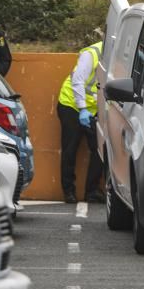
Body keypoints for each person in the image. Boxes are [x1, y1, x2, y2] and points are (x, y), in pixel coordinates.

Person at [57, 41, 105, 204]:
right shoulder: (91, 54)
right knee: (70, 148)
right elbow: (78, 81)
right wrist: (82, 108)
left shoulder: (119, 54)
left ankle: (92, 192)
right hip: (71, 104)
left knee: (99, 149)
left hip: (93, 107)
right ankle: (68, 192)